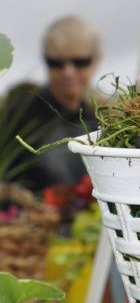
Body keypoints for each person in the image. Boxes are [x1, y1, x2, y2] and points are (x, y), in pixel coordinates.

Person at [1, 16, 102, 190]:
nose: (68, 72)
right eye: (56, 62)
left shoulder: (99, 119)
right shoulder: (18, 114)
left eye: (80, 62)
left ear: (96, 60)